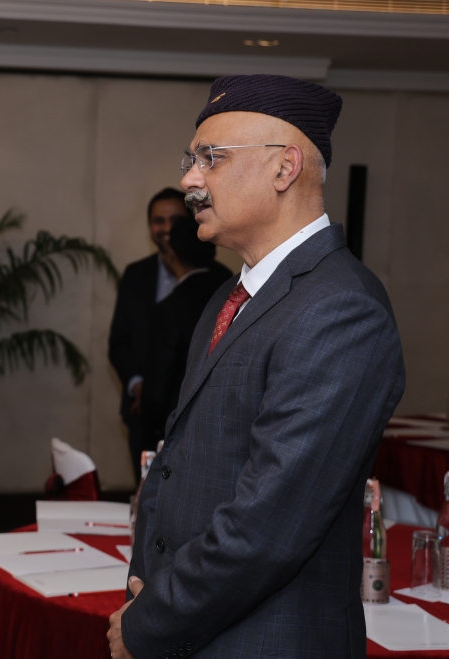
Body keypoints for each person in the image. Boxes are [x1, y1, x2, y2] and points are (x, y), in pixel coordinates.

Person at [108, 75, 406, 658]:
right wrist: (147, 600)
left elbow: (267, 525)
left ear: (284, 167)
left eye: (211, 158)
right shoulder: (229, 298)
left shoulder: (342, 309)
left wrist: (151, 623)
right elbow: (178, 468)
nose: (190, 180)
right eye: (191, 160)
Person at [107, 188, 230, 481]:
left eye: (174, 220)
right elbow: (119, 341)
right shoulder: (136, 274)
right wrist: (140, 386)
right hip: (143, 415)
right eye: (158, 221)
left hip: (205, 417)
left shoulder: (224, 280)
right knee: (147, 492)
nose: (166, 229)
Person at [141, 216, 230, 445]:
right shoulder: (233, 295)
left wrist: (148, 431)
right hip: (227, 422)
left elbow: (157, 389)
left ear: (171, 253)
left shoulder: (170, 309)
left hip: (179, 431)